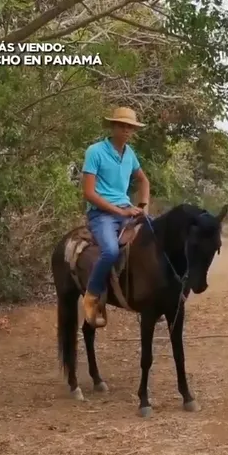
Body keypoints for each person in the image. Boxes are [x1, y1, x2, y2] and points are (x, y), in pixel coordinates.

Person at [80, 107, 151, 327]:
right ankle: (91, 297)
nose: (127, 130)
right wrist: (121, 211)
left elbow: (144, 180)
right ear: (112, 126)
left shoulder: (129, 154)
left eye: (130, 127)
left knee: (154, 236)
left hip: (127, 209)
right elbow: (89, 193)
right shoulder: (95, 151)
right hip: (101, 214)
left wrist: (143, 207)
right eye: (122, 126)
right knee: (110, 250)